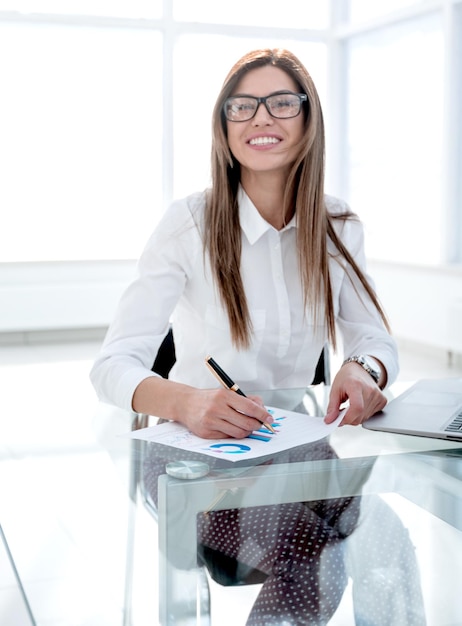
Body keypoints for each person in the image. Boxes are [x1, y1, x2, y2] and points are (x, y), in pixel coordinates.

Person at [91, 49, 416, 625]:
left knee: (388, 543)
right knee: (316, 554)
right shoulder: (188, 222)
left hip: (301, 450)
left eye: (281, 103)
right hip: (194, 460)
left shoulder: (337, 227)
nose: (261, 118)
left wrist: (363, 369)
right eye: (242, 106)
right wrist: (186, 402)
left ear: (308, 120)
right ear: (224, 128)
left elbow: (374, 338)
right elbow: (113, 364)